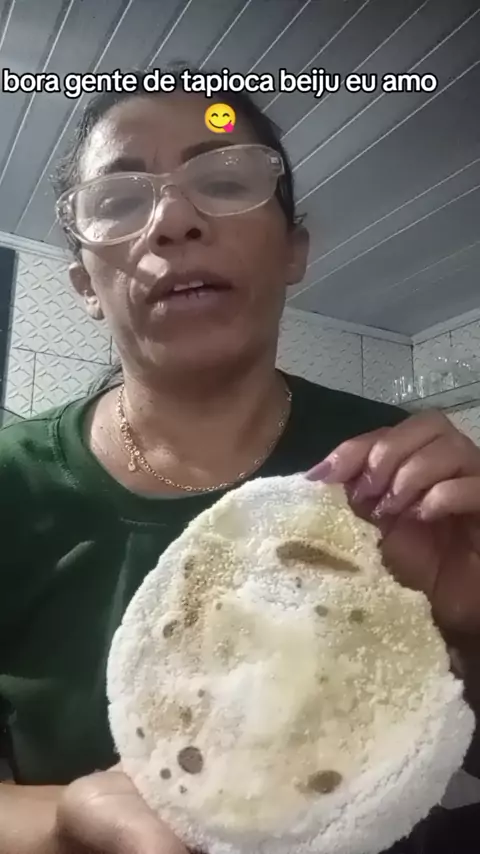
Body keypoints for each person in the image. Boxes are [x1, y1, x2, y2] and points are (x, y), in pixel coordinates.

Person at [0, 66, 479, 854]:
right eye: (119, 201)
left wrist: (475, 621)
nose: (174, 221)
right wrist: (64, 821)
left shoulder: (406, 478)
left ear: (294, 249)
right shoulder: (11, 485)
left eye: (224, 181)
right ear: (85, 284)